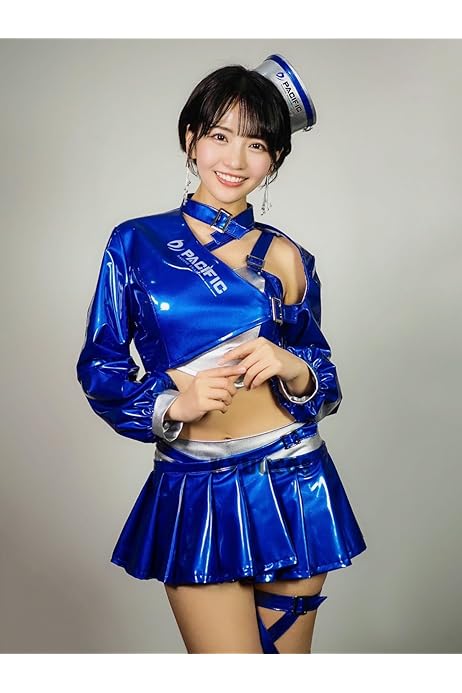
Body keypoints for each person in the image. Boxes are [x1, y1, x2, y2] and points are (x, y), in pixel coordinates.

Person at [76, 54, 367, 654]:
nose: (235, 159)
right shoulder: (136, 242)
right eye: (219, 136)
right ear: (191, 139)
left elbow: (324, 381)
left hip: (294, 479)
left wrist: (294, 367)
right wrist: (170, 406)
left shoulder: (288, 257)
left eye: (256, 144)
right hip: (195, 484)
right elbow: (100, 366)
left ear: (275, 159)